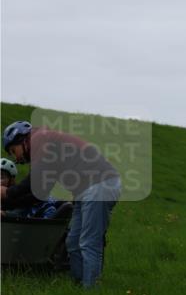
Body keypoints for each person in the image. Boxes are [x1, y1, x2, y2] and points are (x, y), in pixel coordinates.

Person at [2, 121, 120, 286]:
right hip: (84, 190)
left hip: (100, 184)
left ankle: (90, 289)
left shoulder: (40, 139)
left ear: (21, 139)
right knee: (73, 242)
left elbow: (31, 182)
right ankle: (78, 285)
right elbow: (38, 195)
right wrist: (6, 204)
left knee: (89, 242)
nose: (17, 158)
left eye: (14, 151)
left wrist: (7, 193)